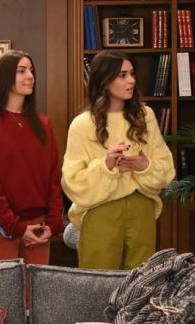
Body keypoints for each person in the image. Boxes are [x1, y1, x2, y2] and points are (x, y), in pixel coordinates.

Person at [63, 50, 174, 269]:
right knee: (99, 281)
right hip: (101, 212)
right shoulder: (82, 124)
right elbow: (72, 181)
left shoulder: (145, 116)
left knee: (140, 281)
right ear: (104, 80)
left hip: (142, 210)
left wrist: (144, 166)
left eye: (132, 73)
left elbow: (166, 169)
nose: (131, 80)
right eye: (122, 75)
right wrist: (106, 165)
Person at [0, 51, 65, 265]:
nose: (30, 76)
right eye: (22, 71)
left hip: (39, 228)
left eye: (31, 71)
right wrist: (16, 228)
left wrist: (53, 223)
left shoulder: (44, 125)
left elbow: (53, 178)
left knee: (35, 287)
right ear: (4, 76)